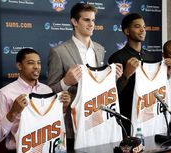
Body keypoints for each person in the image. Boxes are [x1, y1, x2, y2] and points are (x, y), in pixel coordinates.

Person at [47, 2, 123, 150]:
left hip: (100, 123)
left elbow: (98, 85)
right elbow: (49, 92)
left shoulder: (100, 49)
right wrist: (65, 82)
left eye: (93, 20)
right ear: (74, 22)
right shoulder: (59, 52)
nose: (92, 24)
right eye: (86, 20)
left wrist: (113, 78)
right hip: (74, 125)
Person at [0, 48, 70, 152]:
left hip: (47, 149)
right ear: (19, 66)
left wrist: (63, 109)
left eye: (39, 63)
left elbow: (54, 124)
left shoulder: (47, 90)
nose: (36, 67)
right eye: (31, 63)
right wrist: (13, 112)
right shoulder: (5, 93)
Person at [108, 13, 171, 136]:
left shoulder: (150, 56)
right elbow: (112, 94)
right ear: (127, 31)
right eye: (137, 26)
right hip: (129, 120)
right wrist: (126, 75)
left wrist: (168, 75)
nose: (142, 30)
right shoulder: (117, 57)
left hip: (151, 117)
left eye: (144, 27)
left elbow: (157, 87)